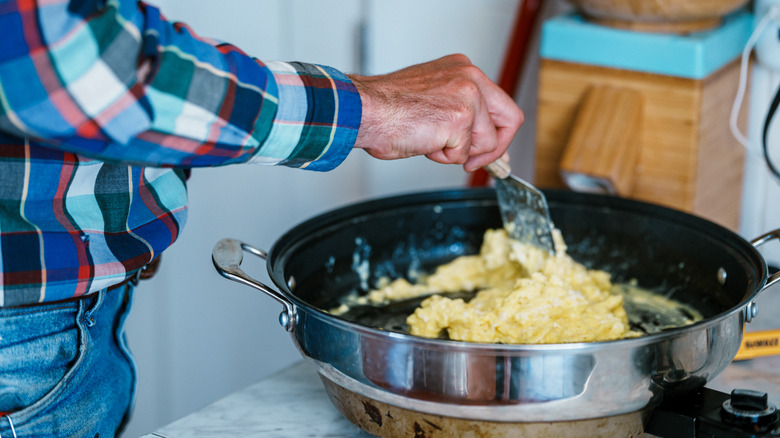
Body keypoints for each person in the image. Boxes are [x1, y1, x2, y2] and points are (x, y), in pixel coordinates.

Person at [0, 0, 524, 436]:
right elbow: (70, 64)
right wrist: (370, 106)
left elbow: (109, 33)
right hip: (23, 344)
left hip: (54, 322)